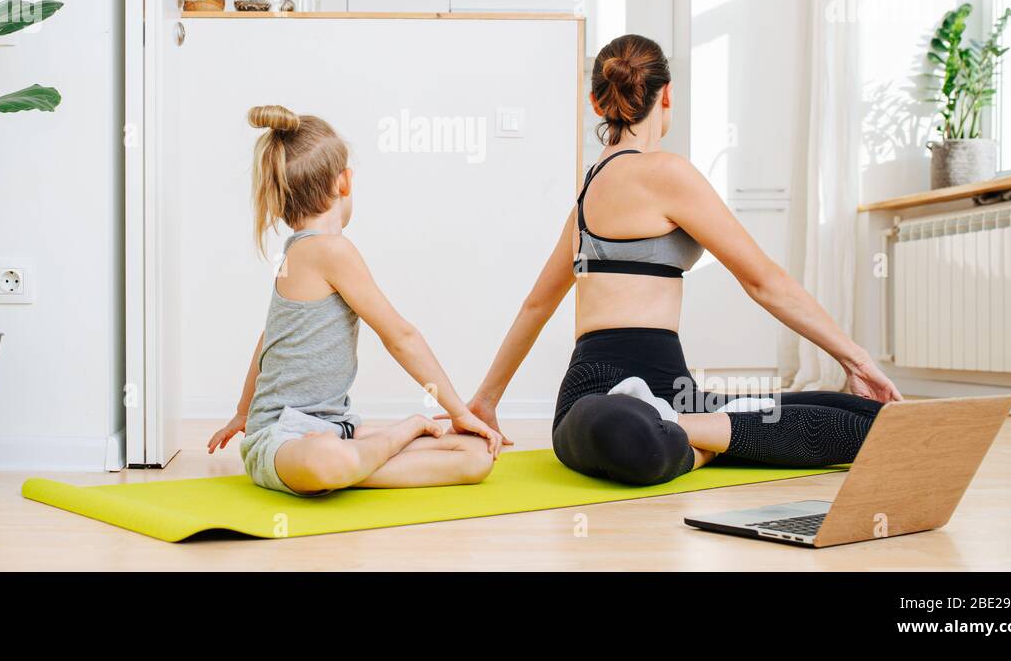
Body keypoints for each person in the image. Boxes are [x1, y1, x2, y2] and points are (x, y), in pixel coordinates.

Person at [457, 35, 902, 486]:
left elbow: (537, 305)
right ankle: (699, 436)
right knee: (634, 435)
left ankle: (685, 432)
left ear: (597, 102)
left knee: (870, 418)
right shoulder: (668, 172)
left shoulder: (588, 196)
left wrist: (487, 399)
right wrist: (858, 361)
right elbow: (764, 281)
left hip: (674, 392)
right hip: (601, 396)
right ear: (666, 94)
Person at [208, 105, 502, 495]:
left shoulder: (302, 253)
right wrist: (460, 411)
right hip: (282, 440)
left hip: (336, 430)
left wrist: (243, 412)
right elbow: (401, 336)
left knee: (475, 456)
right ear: (344, 182)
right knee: (328, 460)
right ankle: (392, 438)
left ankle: (356, 462)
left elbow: (267, 341)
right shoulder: (329, 251)